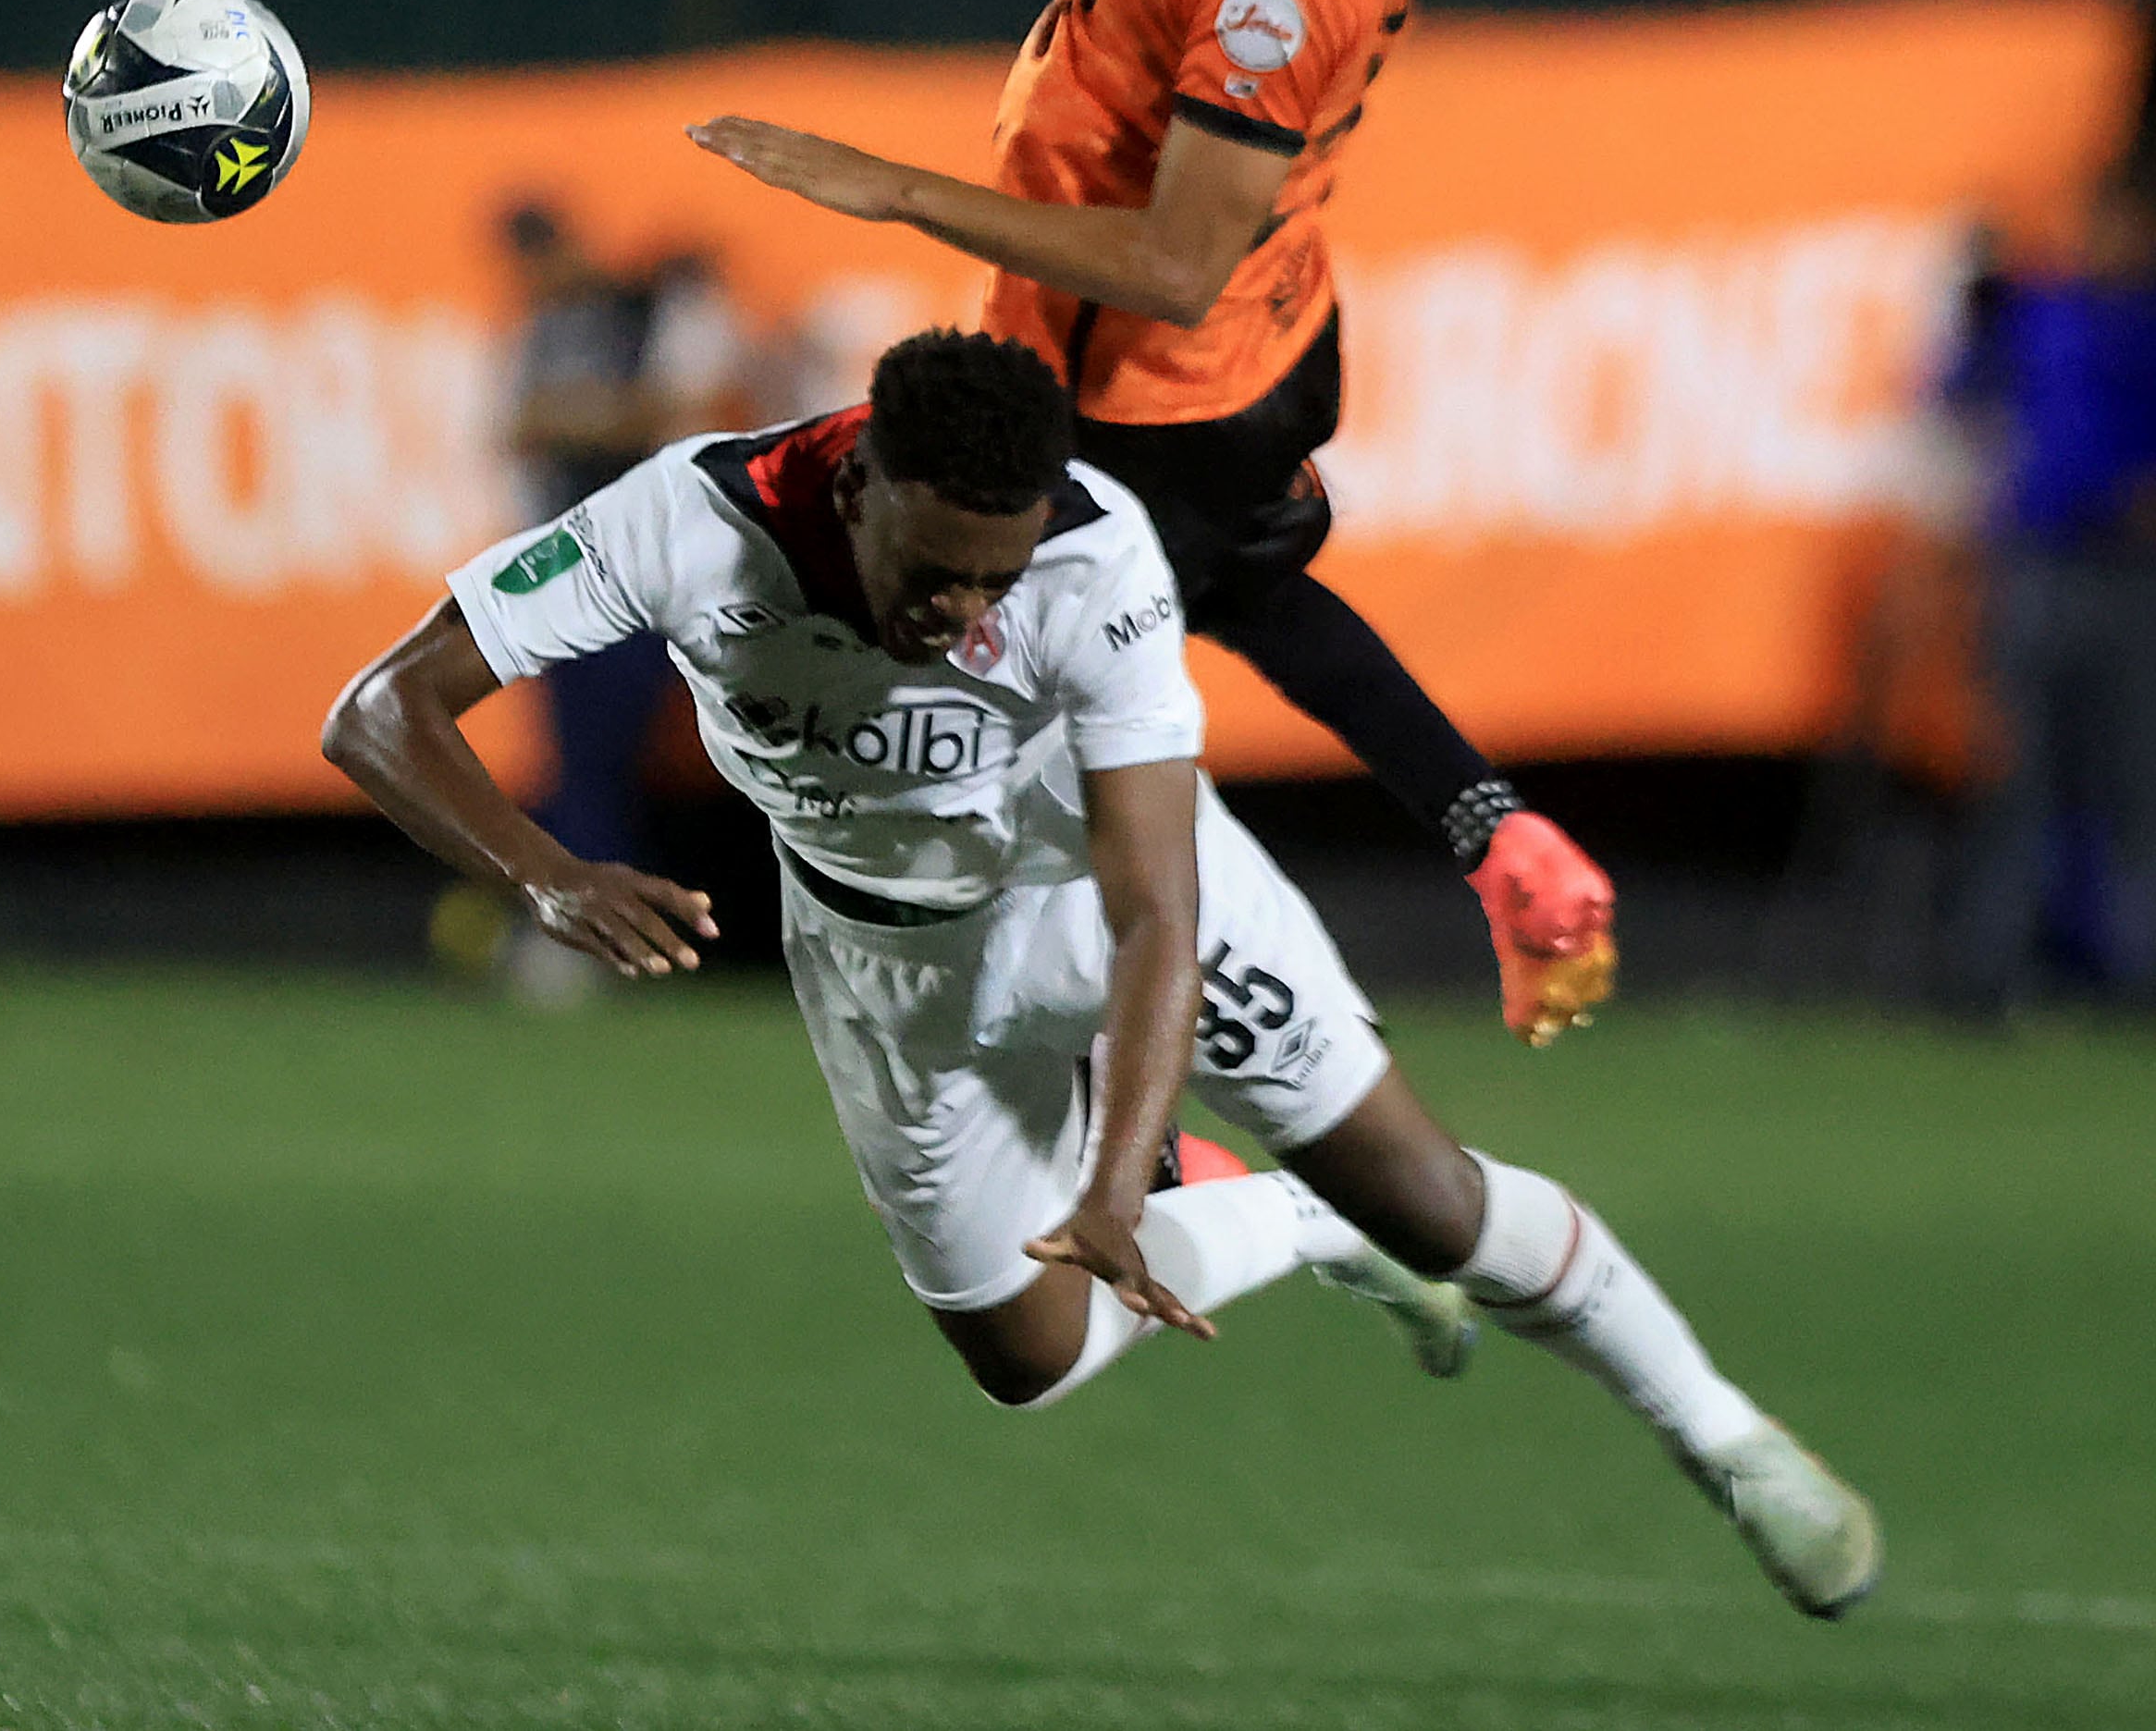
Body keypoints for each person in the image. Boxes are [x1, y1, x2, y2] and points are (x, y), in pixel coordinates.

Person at [321, 330, 1879, 1618]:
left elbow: (1155, 904)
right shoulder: (687, 517)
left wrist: (1126, 1184)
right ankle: (1292, 1215)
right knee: (1025, 1354)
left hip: (1109, 906)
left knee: (1435, 1197)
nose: (965, 617)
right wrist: (550, 875)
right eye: (936, 573)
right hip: (885, 972)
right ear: (858, 481)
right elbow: (381, 710)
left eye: (994, 582)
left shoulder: (1095, 559)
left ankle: (1726, 1437)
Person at [689, 0, 1621, 1047]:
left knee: (976, 739)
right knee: (1252, 603)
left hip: (1137, 399)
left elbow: (1177, 262)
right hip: (1264, 356)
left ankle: (1179, 1084)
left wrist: (892, 189)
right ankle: (1503, 838)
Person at [489, 207, 745, 991]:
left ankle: (606, 931)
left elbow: (679, 411)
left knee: (614, 760)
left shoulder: (642, 312)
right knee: (584, 762)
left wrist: (590, 418)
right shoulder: (545, 327)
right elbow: (521, 427)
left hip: (655, 569)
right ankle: (593, 934)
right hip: (569, 570)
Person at [1937, 173, 2156, 1014]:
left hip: (2130, 575)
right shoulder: (2042, 310)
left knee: (2132, 777)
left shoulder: (2141, 321)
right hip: (2039, 563)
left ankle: (2129, 972)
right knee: (2015, 775)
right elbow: (1960, 392)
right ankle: (1990, 970)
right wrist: (1975, 307)